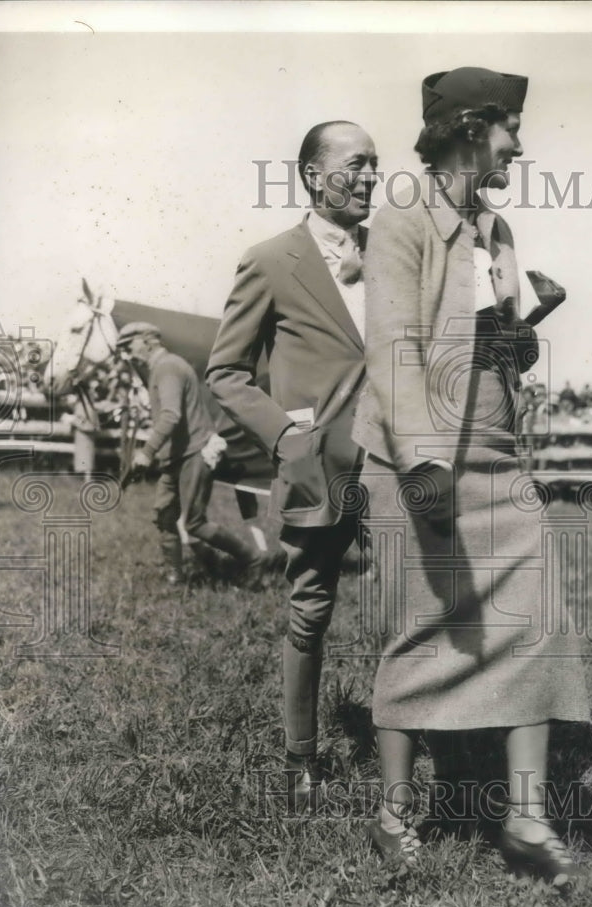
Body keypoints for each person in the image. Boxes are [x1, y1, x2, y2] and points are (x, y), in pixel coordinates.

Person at [351, 67, 589, 883]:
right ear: (468, 128)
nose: (518, 145)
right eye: (509, 128)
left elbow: (501, 348)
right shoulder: (401, 219)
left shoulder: (496, 230)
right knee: (420, 625)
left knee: (536, 621)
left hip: (492, 449)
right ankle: (392, 814)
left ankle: (525, 818)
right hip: (419, 454)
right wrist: (420, 463)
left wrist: (526, 330)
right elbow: (392, 348)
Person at [206, 121, 378, 808]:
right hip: (317, 468)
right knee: (311, 609)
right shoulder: (271, 259)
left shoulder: (394, 257)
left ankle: (425, 750)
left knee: (419, 606)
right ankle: (299, 759)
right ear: (312, 174)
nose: (370, 179)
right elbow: (225, 372)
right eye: (356, 165)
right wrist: (284, 437)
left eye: (377, 166)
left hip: (397, 467)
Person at [119, 322, 271, 587]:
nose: (126, 354)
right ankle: (174, 578)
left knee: (194, 524)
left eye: (127, 346)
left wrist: (147, 452)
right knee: (164, 515)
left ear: (147, 341)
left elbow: (171, 415)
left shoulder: (168, 367)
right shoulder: (158, 369)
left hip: (193, 454)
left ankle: (253, 559)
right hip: (175, 457)